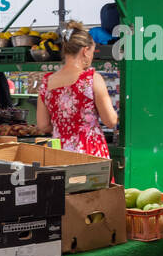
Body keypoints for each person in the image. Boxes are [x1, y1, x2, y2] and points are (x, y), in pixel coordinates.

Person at [36, 21, 118, 157]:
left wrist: (63, 129)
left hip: (59, 153)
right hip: (89, 152)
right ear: (85, 51)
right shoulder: (91, 79)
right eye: (92, 51)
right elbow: (110, 121)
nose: (92, 57)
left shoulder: (46, 82)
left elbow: (43, 125)